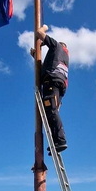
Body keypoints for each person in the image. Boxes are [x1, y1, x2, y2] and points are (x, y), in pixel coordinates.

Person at [34, 24, 69, 153]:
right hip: (59, 85)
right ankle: (56, 141)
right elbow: (48, 67)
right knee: (51, 111)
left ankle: (60, 140)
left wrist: (44, 27)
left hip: (52, 82)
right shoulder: (64, 57)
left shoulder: (56, 46)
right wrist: (36, 56)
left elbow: (39, 32)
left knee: (51, 110)